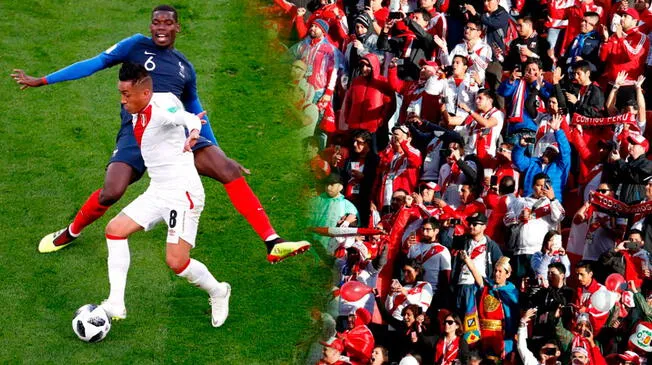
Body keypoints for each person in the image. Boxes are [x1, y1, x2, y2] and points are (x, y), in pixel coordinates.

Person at [12, 5, 309, 263]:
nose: (161, 28)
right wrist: (43, 80)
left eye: (168, 23)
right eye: (156, 22)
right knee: (111, 192)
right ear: (151, 26)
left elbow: (196, 112)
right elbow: (94, 63)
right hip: (136, 133)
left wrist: (218, 149)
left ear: (177, 27)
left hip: (176, 134)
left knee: (228, 169)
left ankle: (273, 242)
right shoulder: (135, 46)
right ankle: (71, 232)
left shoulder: (185, 69)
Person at [99, 62, 230, 327]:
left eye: (126, 95)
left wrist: (194, 131)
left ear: (144, 93)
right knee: (114, 230)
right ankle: (116, 303)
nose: (122, 101)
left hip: (182, 195)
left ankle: (219, 291)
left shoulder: (161, 110)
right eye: (121, 94)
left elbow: (185, 117)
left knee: (176, 262)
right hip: (158, 189)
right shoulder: (150, 103)